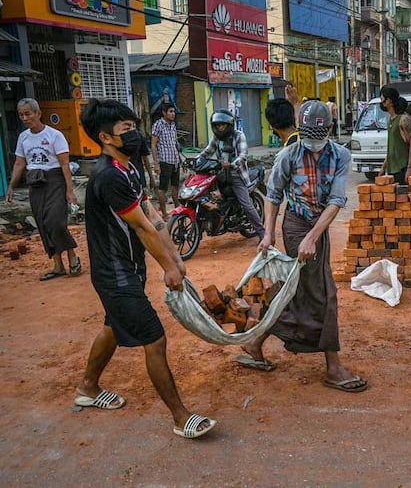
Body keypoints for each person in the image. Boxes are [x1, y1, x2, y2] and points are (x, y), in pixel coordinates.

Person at [76, 98, 216, 439]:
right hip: (115, 275)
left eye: (134, 127)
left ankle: (88, 387)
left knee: (113, 326)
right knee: (154, 338)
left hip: (129, 269)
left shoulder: (130, 167)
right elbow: (141, 228)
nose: (135, 134)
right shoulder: (108, 177)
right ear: (105, 137)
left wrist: (177, 258)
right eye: (126, 130)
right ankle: (180, 417)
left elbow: (154, 218)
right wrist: (168, 267)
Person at [246, 100, 367, 393]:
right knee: (324, 292)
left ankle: (256, 340)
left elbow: (337, 200)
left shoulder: (341, 156)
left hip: (317, 228)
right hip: (295, 226)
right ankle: (333, 365)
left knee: (298, 291)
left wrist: (313, 236)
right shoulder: (288, 156)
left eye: (319, 137)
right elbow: (273, 195)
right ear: (301, 132)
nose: (314, 145)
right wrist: (268, 233)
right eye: (308, 137)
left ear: (330, 130)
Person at [5, 98, 82, 281]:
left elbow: (64, 164)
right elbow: (19, 163)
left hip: (55, 181)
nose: (25, 118)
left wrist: (69, 191)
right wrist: (11, 186)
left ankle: (72, 255)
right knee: (43, 223)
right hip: (34, 182)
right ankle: (58, 265)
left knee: (56, 222)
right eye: (21, 115)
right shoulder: (23, 138)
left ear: (38, 113)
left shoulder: (54, 135)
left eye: (28, 113)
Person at [199, 109, 265, 239]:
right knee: (207, 197)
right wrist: (195, 161)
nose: (220, 128)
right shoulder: (216, 138)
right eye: (217, 125)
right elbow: (207, 152)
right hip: (220, 175)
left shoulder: (239, 135)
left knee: (246, 205)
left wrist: (233, 164)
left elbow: (243, 155)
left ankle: (263, 233)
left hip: (237, 175)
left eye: (222, 125)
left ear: (229, 125)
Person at [378, 87, 411, 185]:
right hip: (392, 169)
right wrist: (383, 167)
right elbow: (392, 148)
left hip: (403, 167)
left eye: (382, 100)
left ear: (389, 101)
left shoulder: (403, 119)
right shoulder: (390, 120)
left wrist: (410, 168)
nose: (381, 103)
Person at [151, 103, 181, 219]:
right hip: (164, 161)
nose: (173, 114)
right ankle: (164, 213)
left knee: (175, 187)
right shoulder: (158, 125)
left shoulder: (173, 125)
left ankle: (178, 209)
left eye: (173, 111)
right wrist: (156, 163)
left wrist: (180, 160)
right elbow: (153, 145)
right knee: (163, 188)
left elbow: (175, 144)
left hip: (175, 161)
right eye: (170, 111)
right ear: (164, 113)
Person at [130, 121, 156, 194]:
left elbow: (145, 159)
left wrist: (151, 178)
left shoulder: (139, 137)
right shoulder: (117, 140)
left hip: (138, 175)